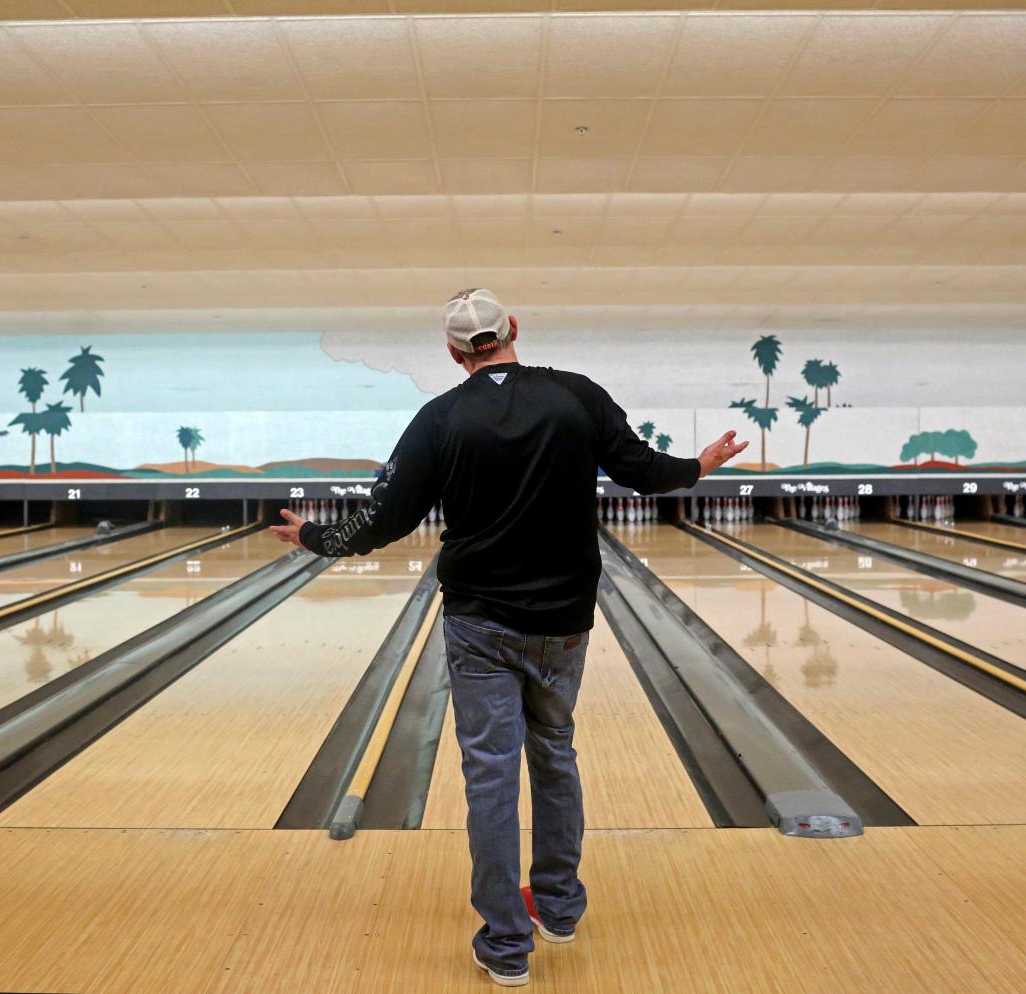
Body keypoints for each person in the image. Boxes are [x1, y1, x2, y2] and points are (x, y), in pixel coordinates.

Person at [271, 288, 747, 987]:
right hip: (564, 623)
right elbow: (644, 472)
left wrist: (312, 535)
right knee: (554, 751)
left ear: (454, 352)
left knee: (490, 776)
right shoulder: (577, 397)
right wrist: (701, 464)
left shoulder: (438, 420)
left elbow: (381, 522)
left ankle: (505, 946)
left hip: (479, 624)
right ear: (513, 329)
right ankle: (557, 909)